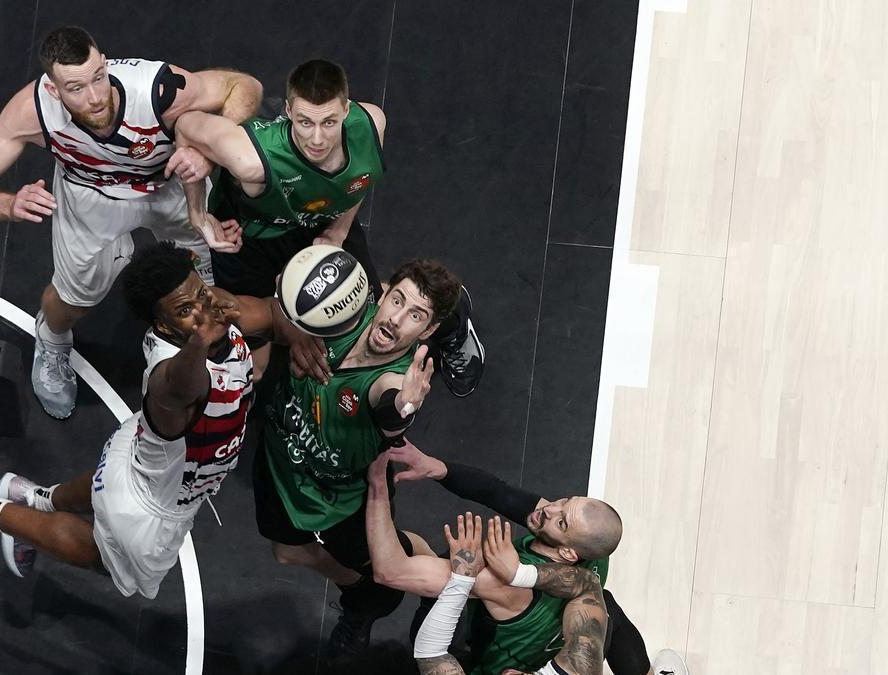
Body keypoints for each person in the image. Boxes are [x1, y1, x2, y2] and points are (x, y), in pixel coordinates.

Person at [0, 242, 292, 598]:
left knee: (104, 490)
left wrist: (310, 331)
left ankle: (34, 498)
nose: (202, 311)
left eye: (201, 296)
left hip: (139, 457)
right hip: (152, 500)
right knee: (106, 560)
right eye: (184, 311)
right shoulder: (173, 378)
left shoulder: (212, 310)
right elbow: (178, 388)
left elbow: (272, 314)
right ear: (163, 327)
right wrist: (199, 342)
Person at [0, 25, 262, 419]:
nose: (96, 98)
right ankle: (52, 339)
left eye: (98, 77)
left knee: (202, 282)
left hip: (168, 185)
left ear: (105, 62)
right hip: (90, 196)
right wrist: (7, 203)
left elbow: (242, 86)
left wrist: (210, 153)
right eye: (77, 88)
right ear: (53, 89)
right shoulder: (31, 112)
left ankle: (207, 352)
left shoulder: (157, 89)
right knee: (73, 299)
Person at [170, 59, 484, 395]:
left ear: (346, 110)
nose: (317, 138)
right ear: (288, 111)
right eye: (305, 121)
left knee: (365, 307)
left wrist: (339, 230)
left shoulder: (371, 123)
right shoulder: (249, 158)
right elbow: (187, 125)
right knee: (255, 356)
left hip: (321, 222)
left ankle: (452, 320)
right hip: (251, 236)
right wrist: (198, 213)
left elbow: (359, 179)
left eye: (329, 122)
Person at [252, 257, 461, 658]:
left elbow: (389, 405)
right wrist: (292, 317)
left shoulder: (395, 379)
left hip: (341, 498)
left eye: (416, 315)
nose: (398, 320)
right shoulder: (341, 312)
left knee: (387, 559)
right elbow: (282, 301)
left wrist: (403, 405)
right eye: (397, 300)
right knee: (285, 552)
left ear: (428, 330)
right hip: (282, 459)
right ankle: (360, 588)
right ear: (381, 293)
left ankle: (370, 601)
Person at [382, 440, 688, 675]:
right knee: (607, 610)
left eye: (561, 521)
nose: (550, 509)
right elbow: (498, 493)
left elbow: (392, 572)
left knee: (435, 564)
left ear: (567, 551)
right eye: (564, 501)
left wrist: (375, 488)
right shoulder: (590, 558)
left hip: (493, 659)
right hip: (551, 650)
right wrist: (439, 468)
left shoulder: (497, 580)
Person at [413, 514, 610, 675]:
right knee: (609, 614)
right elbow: (588, 584)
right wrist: (516, 573)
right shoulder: (579, 666)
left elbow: (431, 655)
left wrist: (461, 579)